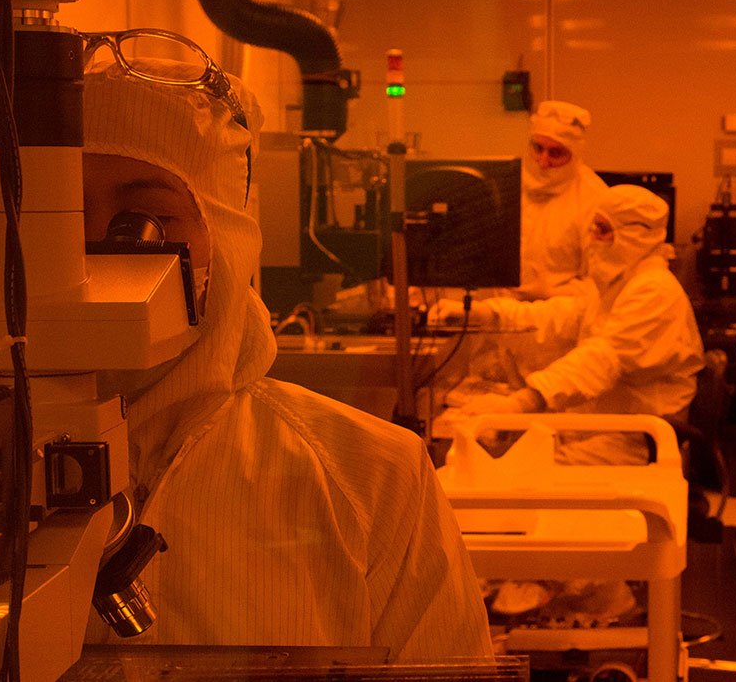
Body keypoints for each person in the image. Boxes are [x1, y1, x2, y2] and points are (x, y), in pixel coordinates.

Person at [80, 56, 490, 656]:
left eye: (145, 221)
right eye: (57, 214)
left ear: (227, 235)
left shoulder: (371, 478)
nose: (92, 253)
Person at [433, 185, 704, 465]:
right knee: (508, 461)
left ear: (631, 238)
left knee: (516, 477)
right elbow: (558, 316)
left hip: (634, 441)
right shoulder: (617, 285)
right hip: (602, 427)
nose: (591, 239)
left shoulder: (655, 292)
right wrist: (486, 313)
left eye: (602, 230)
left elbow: (601, 359)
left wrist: (525, 401)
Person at [517, 100, 609, 302]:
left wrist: (549, 293)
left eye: (556, 153)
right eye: (537, 148)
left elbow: (601, 282)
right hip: (502, 313)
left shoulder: (593, 199)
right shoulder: (509, 187)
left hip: (563, 319)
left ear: (574, 154)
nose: (543, 161)